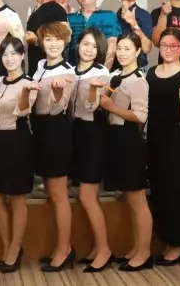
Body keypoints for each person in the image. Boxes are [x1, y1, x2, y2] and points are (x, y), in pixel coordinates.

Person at [99, 32, 153, 271]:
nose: (122, 53)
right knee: (129, 198)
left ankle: (144, 253)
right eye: (119, 48)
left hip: (130, 139)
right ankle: (135, 248)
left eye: (128, 49)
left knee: (138, 199)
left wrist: (111, 107)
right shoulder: (115, 76)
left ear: (138, 51)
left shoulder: (139, 80)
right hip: (114, 138)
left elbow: (140, 116)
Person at [0, 36, 37, 273]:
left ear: (22, 56)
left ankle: (15, 249)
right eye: (5, 54)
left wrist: (25, 93)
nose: (9, 59)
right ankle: (8, 245)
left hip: (19, 141)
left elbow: (22, 111)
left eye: (14, 54)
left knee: (17, 198)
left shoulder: (29, 83)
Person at [146, 27, 180, 265]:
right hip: (153, 136)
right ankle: (166, 239)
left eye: (173, 46)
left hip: (175, 138)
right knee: (159, 190)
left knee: (175, 191)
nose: (167, 50)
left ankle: (179, 244)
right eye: (164, 45)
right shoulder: (151, 72)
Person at [31, 21, 76, 272]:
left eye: (58, 39)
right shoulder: (40, 66)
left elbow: (59, 107)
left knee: (59, 195)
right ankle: (62, 246)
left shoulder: (67, 71)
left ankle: (64, 249)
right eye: (48, 39)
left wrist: (58, 95)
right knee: (50, 191)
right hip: (40, 131)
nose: (53, 44)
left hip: (56, 131)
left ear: (65, 41)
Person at [68, 28, 113, 272]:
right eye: (85, 44)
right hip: (75, 132)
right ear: (77, 45)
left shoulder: (101, 72)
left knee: (87, 195)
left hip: (93, 132)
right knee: (85, 195)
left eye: (94, 46)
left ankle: (104, 249)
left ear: (100, 50)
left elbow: (92, 105)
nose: (88, 49)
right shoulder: (70, 71)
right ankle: (98, 247)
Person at [66, 0, 120, 69]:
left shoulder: (108, 16)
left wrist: (103, 72)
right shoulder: (69, 18)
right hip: (72, 71)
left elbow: (112, 46)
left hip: (99, 70)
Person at [25, 0, 69, 75]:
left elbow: (66, 38)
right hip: (36, 71)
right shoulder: (36, 9)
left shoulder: (56, 9)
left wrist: (36, 41)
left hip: (51, 72)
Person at [114, 0, 153, 73]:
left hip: (137, 69)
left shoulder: (144, 15)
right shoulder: (113, 16)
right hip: (115, 69)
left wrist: (134, 24)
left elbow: (146, 48)